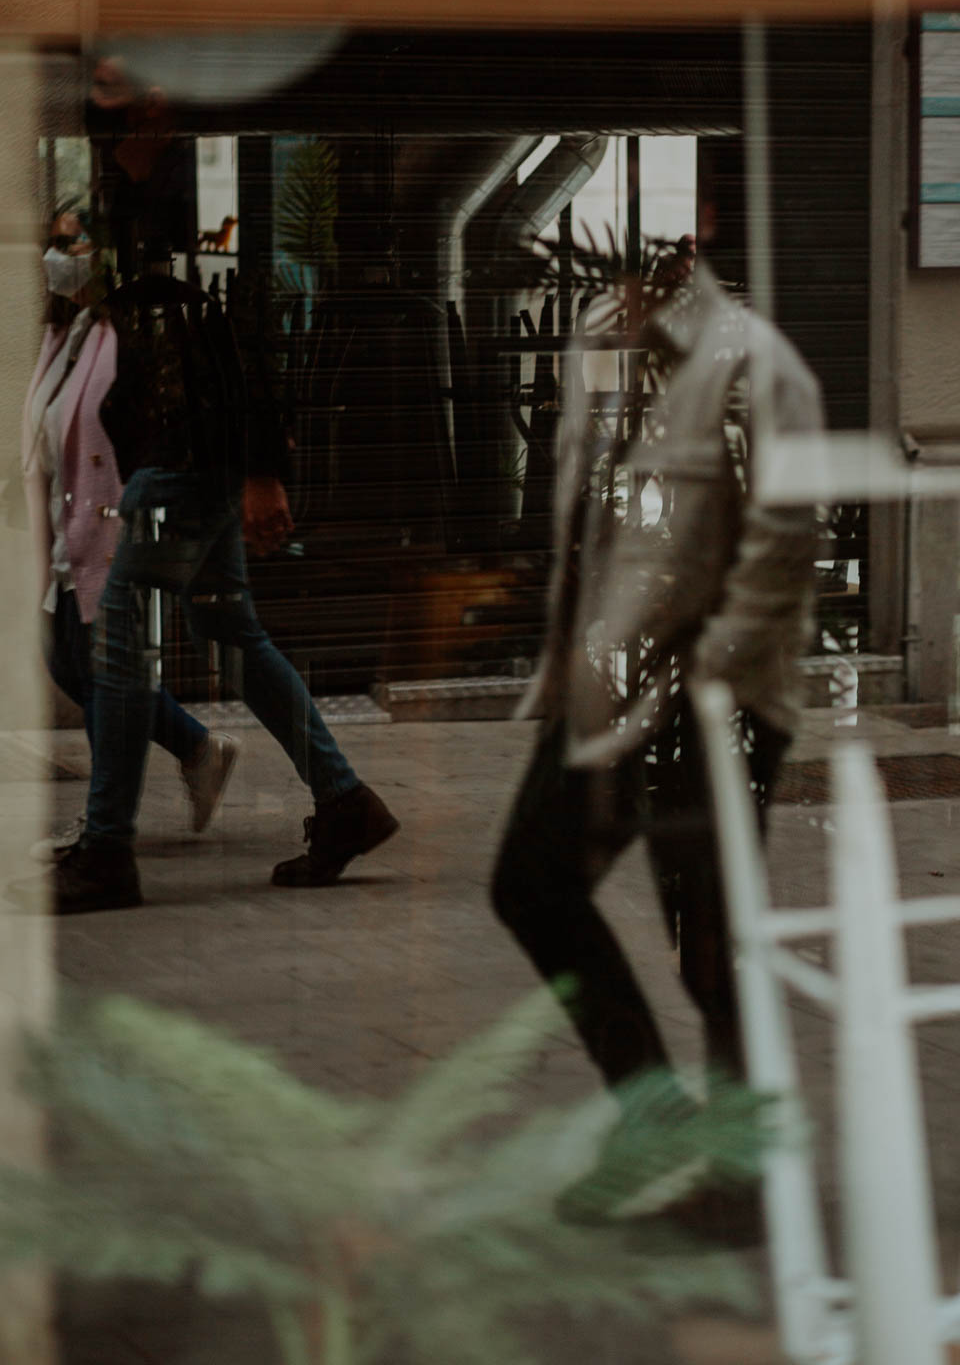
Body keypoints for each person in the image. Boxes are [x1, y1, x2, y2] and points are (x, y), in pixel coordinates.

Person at [25, 62, 398, 915]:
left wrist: (262, 468)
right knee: (229, 631)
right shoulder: (140, 193)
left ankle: (107, 852)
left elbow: (243, 326)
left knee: (119, 643)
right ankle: (344, 803)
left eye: (122, 85)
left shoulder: (204, 190)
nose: (103, 100)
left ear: (161, 98)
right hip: (174, 445)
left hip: (189, 452)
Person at [491, 216, 822, 1129]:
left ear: (684, 270)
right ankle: (654, 1115)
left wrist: (702, 687)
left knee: (707, 944)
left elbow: (784, 549)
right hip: (609, 686)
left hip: (710, 703)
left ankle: (738, 1173)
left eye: (629, 276)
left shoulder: (753, 366)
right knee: (530, 885)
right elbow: (587, 522)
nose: (611, 297)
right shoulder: (599, 349)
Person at [22, 211, 239, 858]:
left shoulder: (125, 334)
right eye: (56, 243)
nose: (59, 256)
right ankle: (198, 750)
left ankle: (105, 826)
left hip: (109, 527)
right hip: (66, 529)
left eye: (73, 242)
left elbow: (139, 433)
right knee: (70, 662)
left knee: (99, 672)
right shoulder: (65, 329)